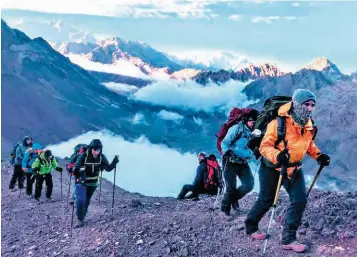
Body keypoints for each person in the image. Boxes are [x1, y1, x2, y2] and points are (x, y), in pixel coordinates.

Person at [244, 89, 330, 253]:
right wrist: (278, 156)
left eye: (312, 105)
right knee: (266, 200)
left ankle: (288, 239)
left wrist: (319, 156)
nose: (310, 108)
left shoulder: (308, 124)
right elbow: (264, 147)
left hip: (294, 168)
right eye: (307, 104)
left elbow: (307, 144)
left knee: (299, 200)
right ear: (297, 103)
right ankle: (251, 225)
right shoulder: (278, 123)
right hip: (272, 167)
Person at [220, 110, 259, 221]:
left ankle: (232, 200)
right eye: (252, 121)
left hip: (242, 162)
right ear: (246, 120)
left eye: (255, 121)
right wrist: (227, 152)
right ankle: (224, 209)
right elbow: (225, 142)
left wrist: (256, 158)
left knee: (249, 185)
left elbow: (248, 148)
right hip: (230, 162)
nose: (253, 123)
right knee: (231, 188)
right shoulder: (236, 128)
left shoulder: (252, 132)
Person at [72, 139, 119, 227]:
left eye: (98, 150)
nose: (96, 152)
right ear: (90, 148)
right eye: (94, 149)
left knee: (86, 200)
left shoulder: (102, 157)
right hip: (82, 182)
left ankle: (82, 217)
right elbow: (76, 167)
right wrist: (79, 171)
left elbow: (108, 168)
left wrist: (114, 162)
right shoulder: (83, 156)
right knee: (80, 200)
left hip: (93, 183)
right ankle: (80, 219)